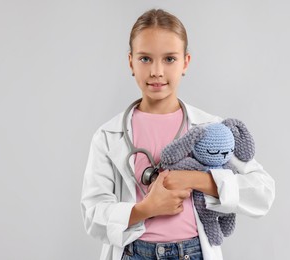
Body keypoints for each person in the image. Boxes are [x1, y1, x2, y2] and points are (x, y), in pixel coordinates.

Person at [81, 8, 275, 260]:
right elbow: (92, 213)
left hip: (193, 253)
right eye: (145, 59)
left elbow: (262, 191)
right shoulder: (108, 136)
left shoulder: (211, 129)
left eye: (169, 59)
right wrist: (145, 209)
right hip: (134, 253)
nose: (157, 71)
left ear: (186, 62)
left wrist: (195, 179)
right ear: (131, 62)